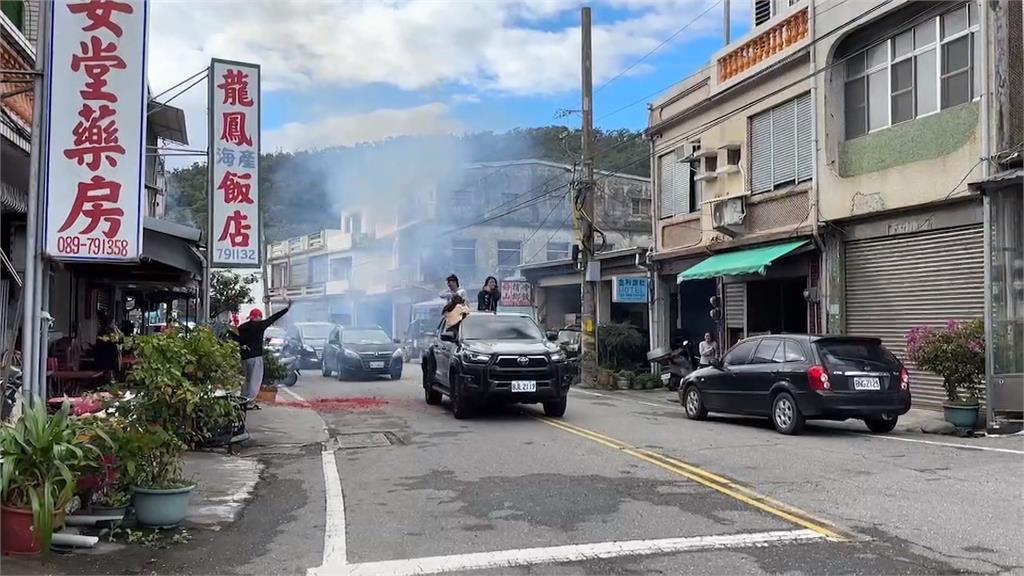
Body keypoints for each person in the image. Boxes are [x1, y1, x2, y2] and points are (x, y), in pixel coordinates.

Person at [230, 302, 291, 402]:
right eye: (260, 316)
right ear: (257, 316)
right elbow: (273, 318)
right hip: (255, 357)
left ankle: (242, 399)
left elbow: (237, 338)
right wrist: (286, 309)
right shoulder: (260, 325)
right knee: (255, 380)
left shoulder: (242, 327)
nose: (261, 318)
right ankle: (249, 401)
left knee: (247, 380)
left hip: (244, 357)